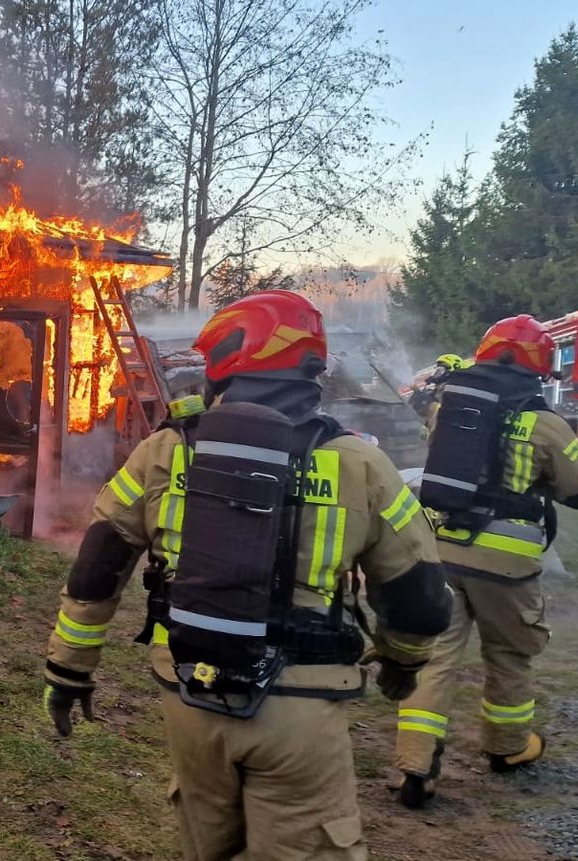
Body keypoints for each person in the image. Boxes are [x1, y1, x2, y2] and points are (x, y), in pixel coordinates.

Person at [43, 290, 452, 860]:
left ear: (225, 366)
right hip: (301, 709)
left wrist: (68, 668)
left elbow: (97, 568)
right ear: (310, 367)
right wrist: (403, 662)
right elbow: (421, 599)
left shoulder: (166, 449)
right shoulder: (360, 464)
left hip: (189, 692)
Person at [393, 315, 578, 808]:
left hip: (441, 551)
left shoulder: (450, 408)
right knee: (509, 655)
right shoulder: (545, 423)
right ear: (539, 366)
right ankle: (508, 750)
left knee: (436, 659)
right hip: (507, 566)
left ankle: (414, 767)